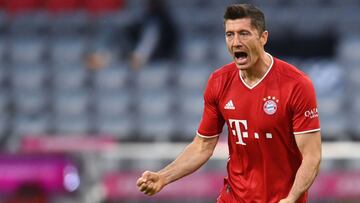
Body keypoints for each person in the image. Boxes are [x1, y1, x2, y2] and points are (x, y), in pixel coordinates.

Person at [136, 4, 322, 203]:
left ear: (263, 37)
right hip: (233, 198)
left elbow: (312, 156)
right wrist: (164, 177)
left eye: (244, 34)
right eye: (229, 35)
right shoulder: (219, 82)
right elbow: (202, 146)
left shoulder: (296, 85)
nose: (236, 42)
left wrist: (292, 198)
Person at [86, 0, 178, 70]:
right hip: (141, 53)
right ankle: (102, 58)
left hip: (154, 57)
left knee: (122, 55)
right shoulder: (149, 19)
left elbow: (150, 40)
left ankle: (103, 59)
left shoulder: (158, 21)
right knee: (119, 37)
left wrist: (139, 56)